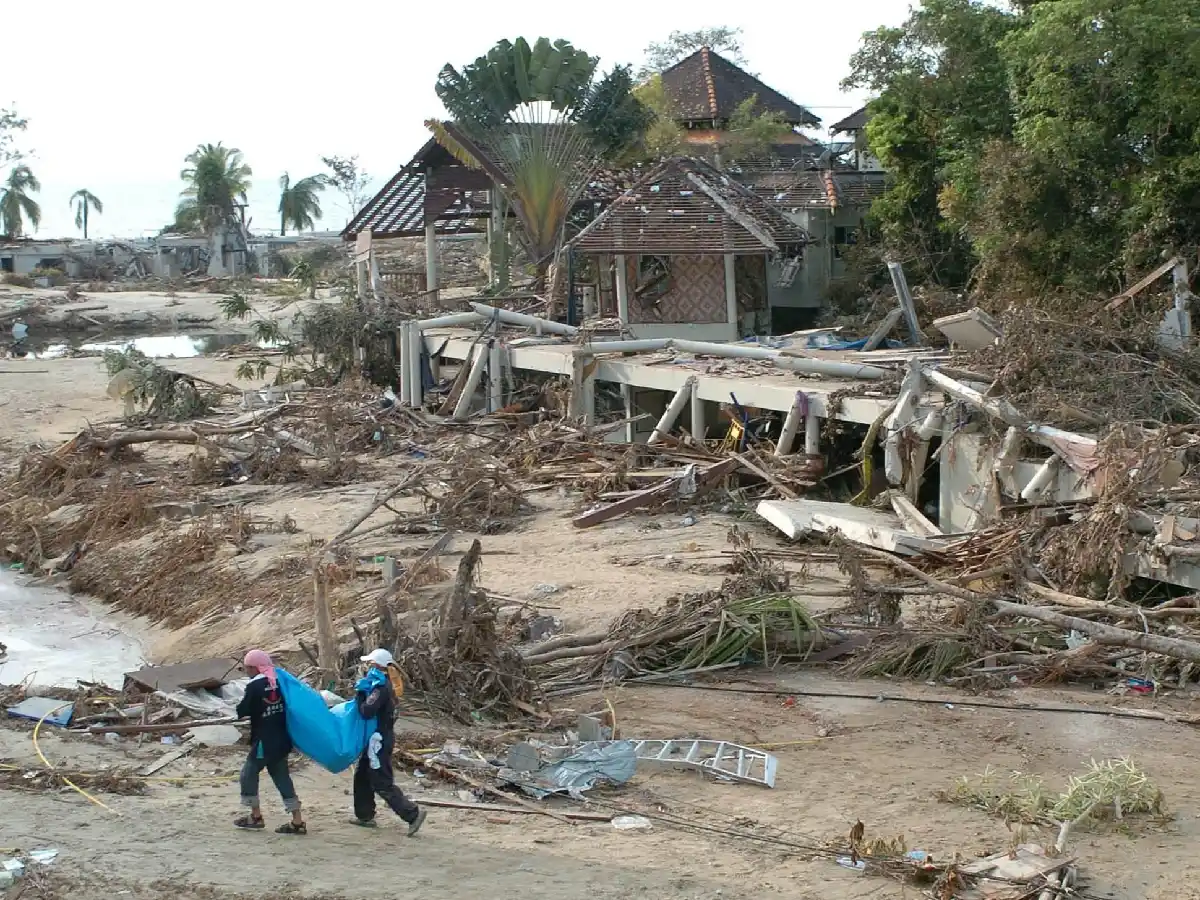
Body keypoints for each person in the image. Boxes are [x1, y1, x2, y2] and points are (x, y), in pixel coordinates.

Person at [351, 648, 426, 836]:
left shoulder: (380, 687)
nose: (367, 667)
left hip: (378, 741)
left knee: (381, 782)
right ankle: (365, 814)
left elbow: (367, 711)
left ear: (377, 666)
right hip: (377, 739)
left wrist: (360, 695)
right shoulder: (384, 685)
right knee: (362, 776)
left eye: (370, 663)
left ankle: (412, 814)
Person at [235, 649, 305, 834]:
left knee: (248, 774)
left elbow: (242, 710)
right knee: (281, 777)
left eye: (247, 668)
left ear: (254, 668)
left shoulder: (255, 686)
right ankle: (297, 820)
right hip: (282, 739)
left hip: (264, 742)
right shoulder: (281, 681)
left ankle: (256, 816)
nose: (246, 671)